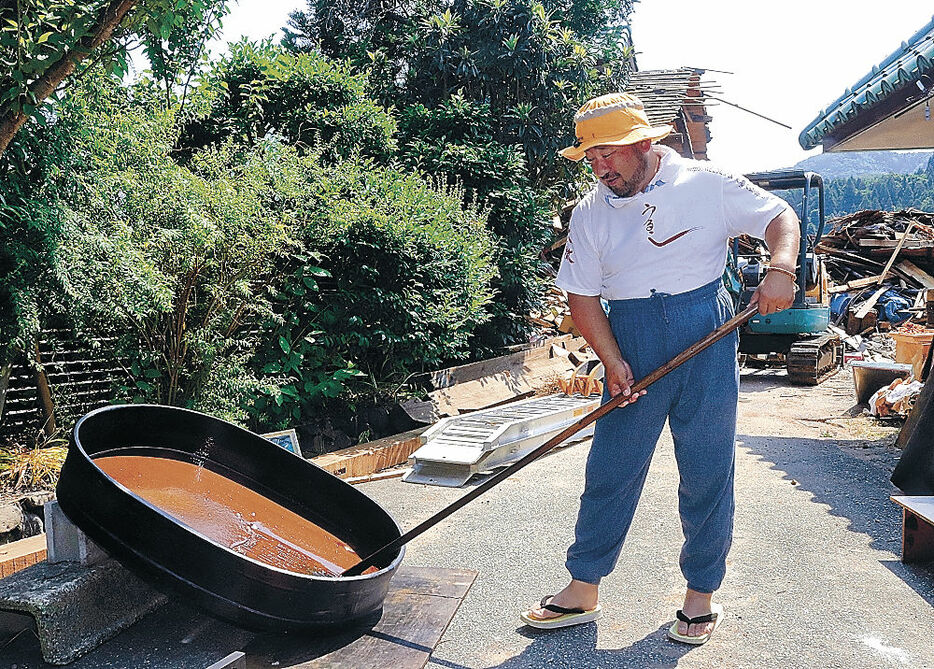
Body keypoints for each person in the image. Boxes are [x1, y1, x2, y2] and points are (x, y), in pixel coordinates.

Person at [520, 92, 799, 644]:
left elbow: (778, 216)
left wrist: (782, 267)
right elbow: (581, 297)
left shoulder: (707, 183)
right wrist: (613, 360)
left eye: (609, 156)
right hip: (631, 336)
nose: (600, 170)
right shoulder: (590, 212)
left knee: (706, 469)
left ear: (644, 144)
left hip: (705, 333)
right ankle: (583, 587)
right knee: (611, 468)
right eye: (591, 159)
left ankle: (700, 595)